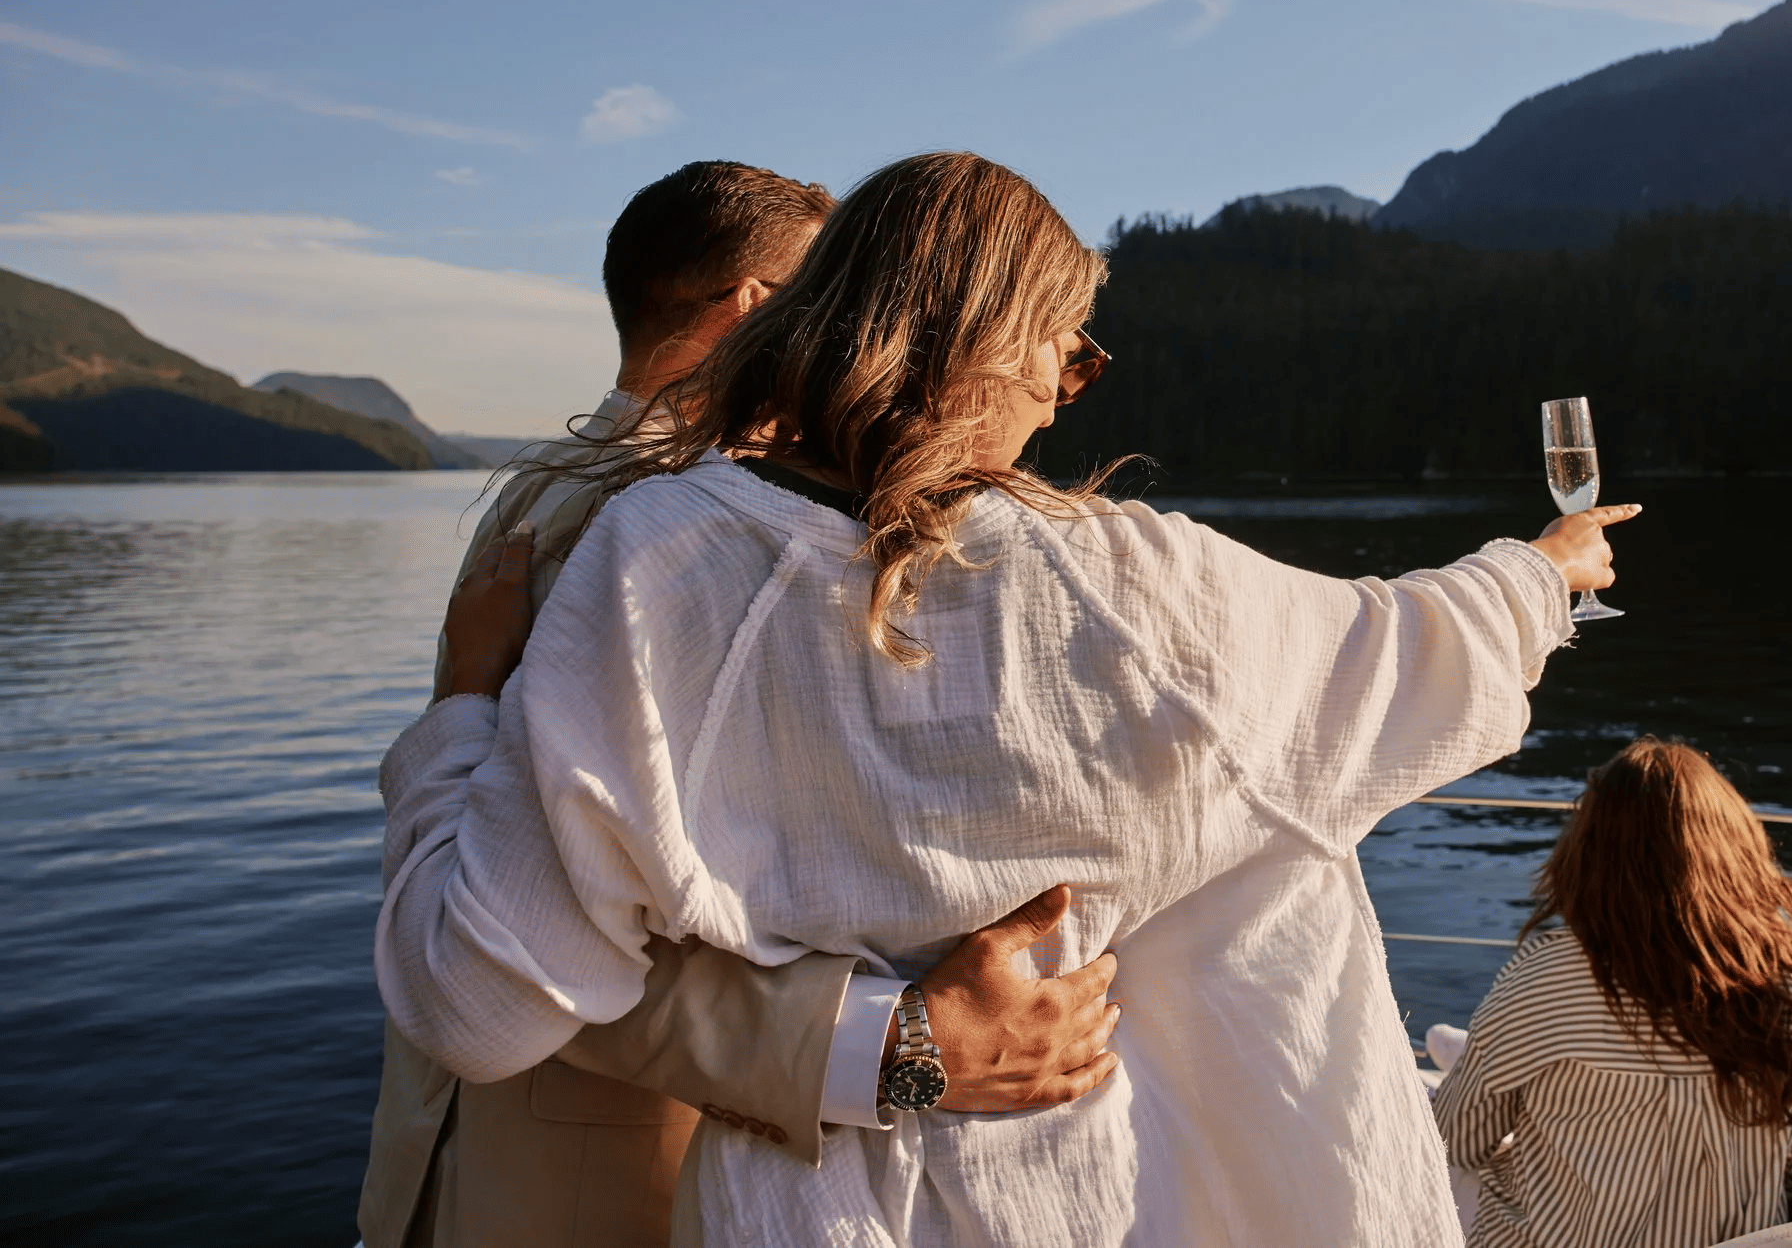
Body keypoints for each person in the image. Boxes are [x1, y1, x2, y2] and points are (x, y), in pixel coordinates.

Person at [372, 149, 1631, 1247]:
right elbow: (1400, 645)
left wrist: (460, 717)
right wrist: (1545, 571)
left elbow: (481, 991)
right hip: (1059, 1189)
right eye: (1067, 350)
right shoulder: (1127, 582)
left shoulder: (647, 557)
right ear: (986, 340)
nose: (1061, 391)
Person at [359, 161, 1119, 1248]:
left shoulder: (544, 488)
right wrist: (902, 1042)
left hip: (450, 1173)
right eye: (834, 291)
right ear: (758, 307)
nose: (862, 327)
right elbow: (529, 937)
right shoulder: (674, 533)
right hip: (599, 1193)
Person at [1432, 738, 1792, 1248]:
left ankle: (1472, 1055)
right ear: (1739, 850)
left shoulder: (1541, 980)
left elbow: (1454, 1140)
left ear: (1587, 855)